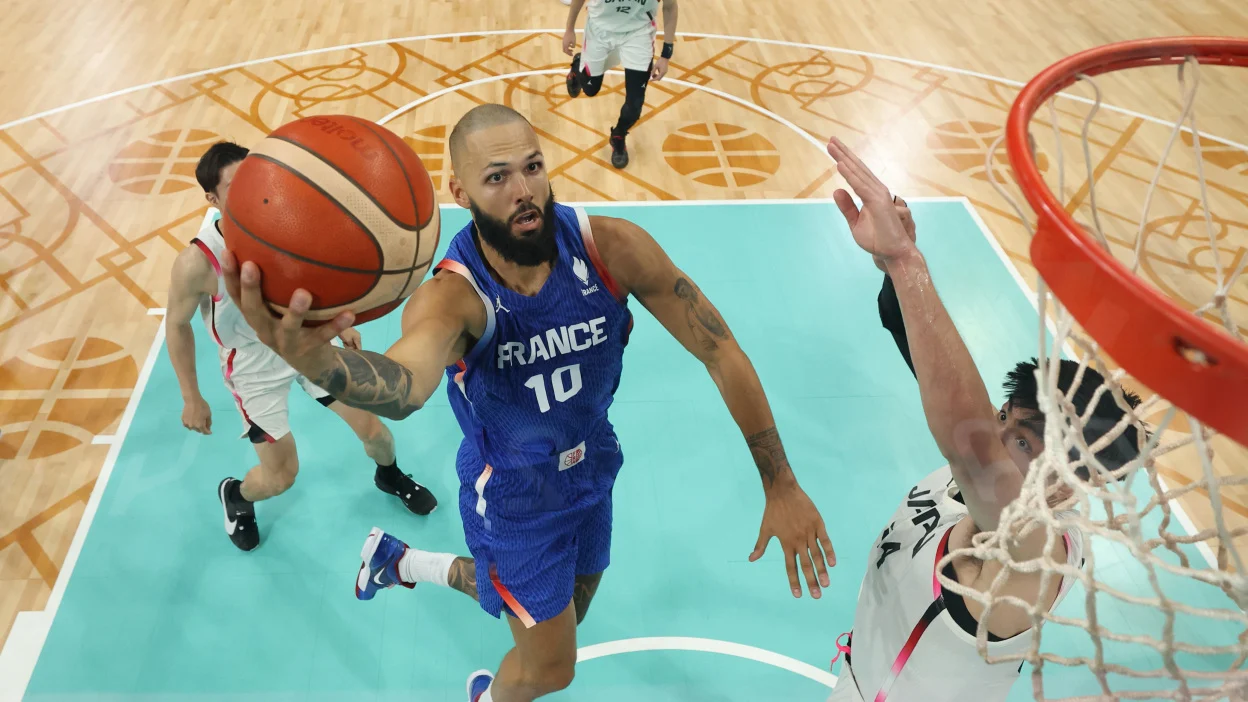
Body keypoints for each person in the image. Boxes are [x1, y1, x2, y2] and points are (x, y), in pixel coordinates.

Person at [218, 103, 834, 702]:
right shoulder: (455, 297)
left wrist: (780, 483)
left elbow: (719, 348)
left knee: (574, 602)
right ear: (460, 190)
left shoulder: (609, 249)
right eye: (497, 177)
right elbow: (405, 385)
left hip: (593, 460)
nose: (524, 190)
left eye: (533, 167)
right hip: (513, 498)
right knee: (551, 669)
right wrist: (311, 358)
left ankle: (401, 562)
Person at [823, 137, 1146, 702]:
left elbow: (968, 443)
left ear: (1068, 481)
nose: (996, 435)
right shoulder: (982, 482)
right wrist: (891, 269)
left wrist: (908, 262)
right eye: (1004, 417)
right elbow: (915, 345)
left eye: (1022, 441)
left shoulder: (1034, 555)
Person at [167, 142, 438, 552]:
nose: (249, 193)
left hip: (307, 344)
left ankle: (390, 475)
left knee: (376, 430)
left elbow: (315, 280)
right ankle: (237, 496)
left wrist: (341, 323)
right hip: (254, 368)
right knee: (281, 477)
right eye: (234, 186)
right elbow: (176, 324)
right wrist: (191, 395)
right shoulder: (197, 263)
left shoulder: (283, 225)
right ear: (211, 198)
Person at [561, 0, 678, 169]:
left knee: (635, 104)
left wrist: (666, 54)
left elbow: (670, 6)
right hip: (599, 29)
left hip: (639, 33)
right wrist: (569, 29)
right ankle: (577, 66)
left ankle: (618, 135)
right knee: (591, 89)